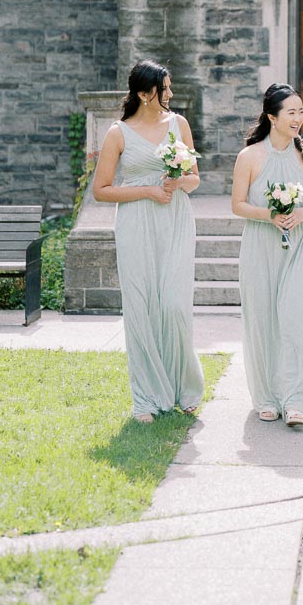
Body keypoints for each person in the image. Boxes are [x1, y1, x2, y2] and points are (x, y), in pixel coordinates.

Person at [92, 59, 203, 424]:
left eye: (170, 87)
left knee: (173, 305)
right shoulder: (118, 133)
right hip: (136, 224)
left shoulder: (179, 124)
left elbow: (194, 179)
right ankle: (146, 398)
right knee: (140, 309)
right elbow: (102, 191)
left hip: (174, 221)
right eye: (164, 89)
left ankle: (184, 388)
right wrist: (149, 191)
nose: (170, 94)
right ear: (143, 93)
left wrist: (178, 182)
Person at [231, 83, 303, 426]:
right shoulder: (250, 156)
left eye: (301, 111)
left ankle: (297, 398)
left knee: (296, 317)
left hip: (298, 242)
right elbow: (237, 204)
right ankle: (267, 396)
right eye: (291, 112)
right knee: (263, 318)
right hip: (259, 243)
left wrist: (301, 214)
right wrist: (269, 216)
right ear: (272, 116)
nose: (298, 118)